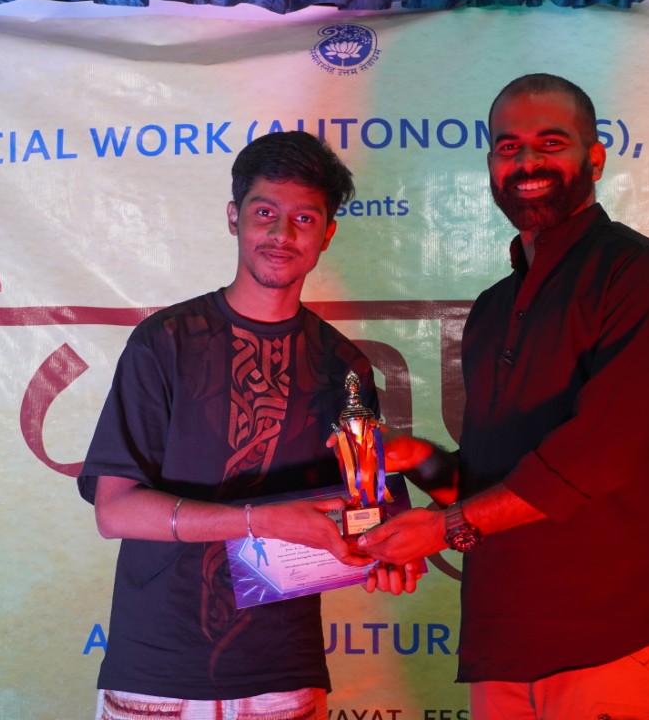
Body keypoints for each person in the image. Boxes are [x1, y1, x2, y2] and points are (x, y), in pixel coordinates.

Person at [358, 74, 649, 720]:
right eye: (508, 147)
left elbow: (596, 455)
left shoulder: (640, 277)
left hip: (612, 640)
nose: (527, 162)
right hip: (502, 648)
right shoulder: (493, 308)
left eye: (551, 143)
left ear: (595, 158)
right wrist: (415, 460)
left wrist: (441, 529)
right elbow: (494, 484)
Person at [78, 130, 416, 720]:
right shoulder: (165, 342)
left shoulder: (344, 367)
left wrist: (384, 551)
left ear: (327, 234)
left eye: (304, 218)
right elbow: (116, 511)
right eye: (265, 213)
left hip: (281, 680)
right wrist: (261, 520)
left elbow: (367, 507)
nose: (282, 234)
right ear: (234, 217)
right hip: (156, 677)